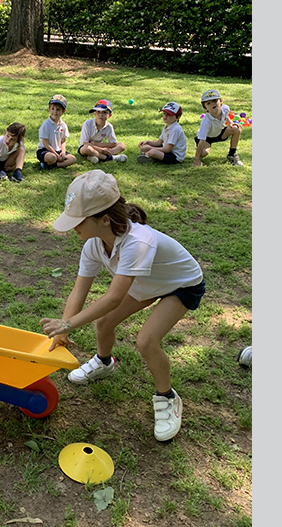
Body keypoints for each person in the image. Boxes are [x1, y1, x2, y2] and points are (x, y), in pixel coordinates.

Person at [40, 170, 205, 442]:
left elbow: (114, 297)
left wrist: (68, 323)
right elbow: (79, 290)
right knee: (104, 322)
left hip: (181, 284)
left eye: (78, 221)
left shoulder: (137, 242)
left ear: (104, 219)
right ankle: (104, 363)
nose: (72, 227)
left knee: (146, 340)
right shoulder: (94, 245)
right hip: (145, 281)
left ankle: (167, 397)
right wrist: (63, 331)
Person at [192, 89, 244, 167]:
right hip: (206, 138)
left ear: (221, 101)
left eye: (215, 100)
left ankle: (232, 154)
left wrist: (230, 123)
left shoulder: (225, 109)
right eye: (208, 103)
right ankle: (200, 150)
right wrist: (196, 160)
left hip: (219, 133)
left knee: (236, 128)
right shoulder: (206, 121)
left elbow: (225, 115)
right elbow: (202, 140)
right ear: (205, 108)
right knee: (203, 153)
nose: (213, 104)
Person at [78, 99, 127, 164]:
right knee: (87, 149)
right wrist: (101, 150)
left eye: (104, 112)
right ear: (95, 113)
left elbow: (113, 143)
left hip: (99, 147)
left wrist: (99, 145)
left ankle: (94, 156)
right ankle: (110, 158)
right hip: (87, 147)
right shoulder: (87, 124)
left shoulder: (109, 126)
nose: (101, 115)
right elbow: (85, 143)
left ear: (109, 115)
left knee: (122, 145)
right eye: (98, 112)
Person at [37, 94, 77, 170]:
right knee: (52, 157)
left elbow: (63, 141)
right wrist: (56, 155)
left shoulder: (63, 125)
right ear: (49, 109)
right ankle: (49, 162)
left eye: (58, 109)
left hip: (58, 150)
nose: (55, 112)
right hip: (45, 150)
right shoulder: (46, 125)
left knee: (73, 158)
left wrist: (63, 153)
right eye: (52, 109)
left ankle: (53, 165)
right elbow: (45, 143)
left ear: (63, 111)